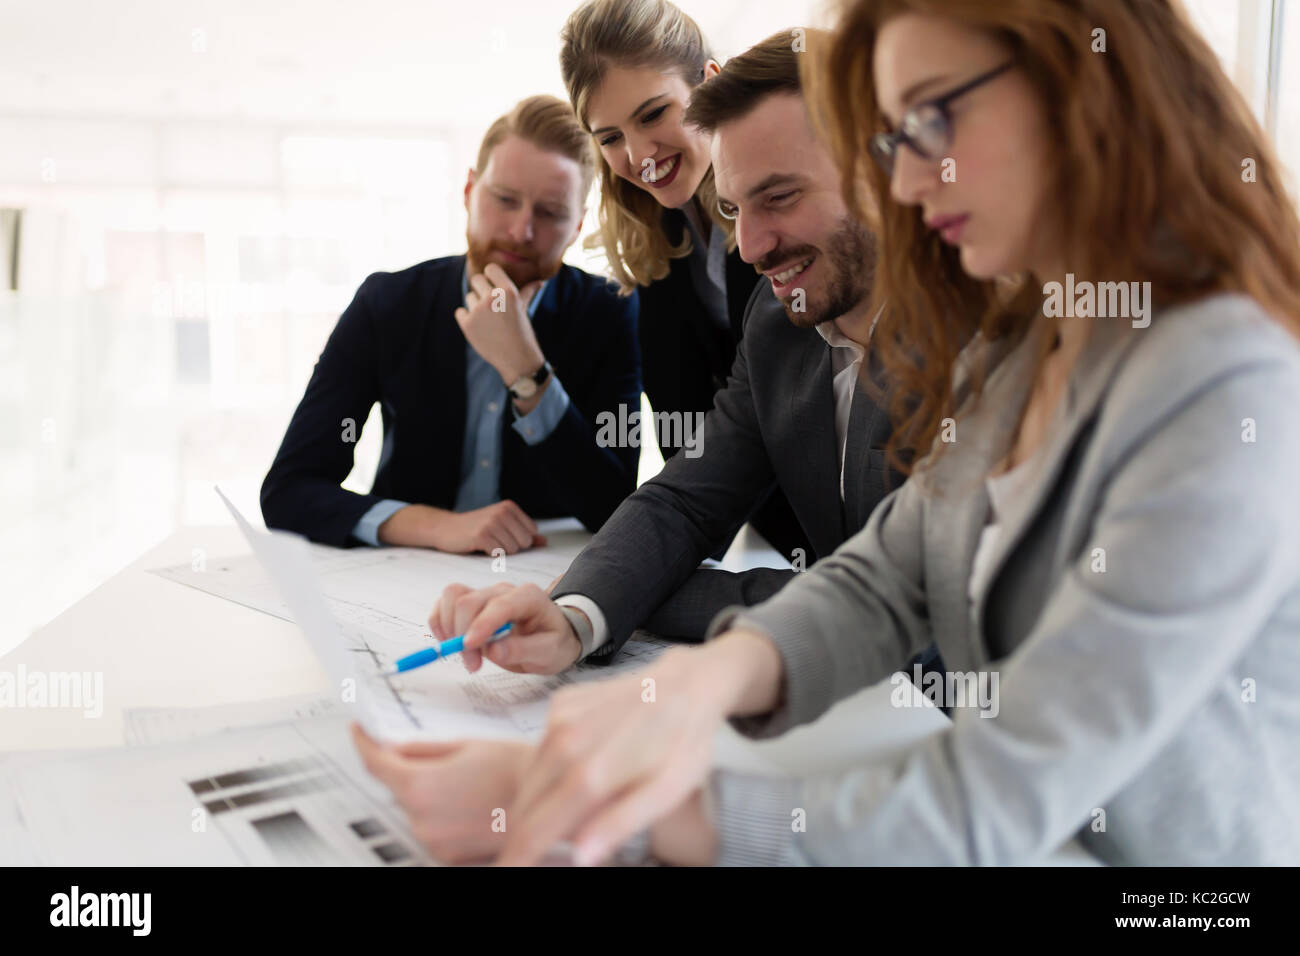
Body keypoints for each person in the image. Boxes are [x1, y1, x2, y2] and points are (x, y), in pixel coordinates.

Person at [379, 0, 1300, 866]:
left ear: (1073, 92)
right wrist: (705, 685)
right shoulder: (1034, 341)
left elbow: (1001, 788)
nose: (899, 181)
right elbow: (885, 576)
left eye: (926, 124)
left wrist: (637, 815)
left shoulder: (1225, 377)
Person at [260, 95, 640, 553]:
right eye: (504, 200)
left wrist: (528, 373)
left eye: (550, 213)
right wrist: (439, 527)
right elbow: (289, 489)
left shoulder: (610, 312)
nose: (522, 231)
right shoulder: (388, 304)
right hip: (406, 566)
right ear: (468, 192)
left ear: (577, 226)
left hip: (540, 573)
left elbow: (616, 508)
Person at [559, 0, 808, 560]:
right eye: (610, 137)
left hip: (850, 538)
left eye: (652, 115)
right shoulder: (653, 244)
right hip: (765, 546)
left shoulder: (790, 207)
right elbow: (685, 441)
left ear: (711, 86)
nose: (640, 155)